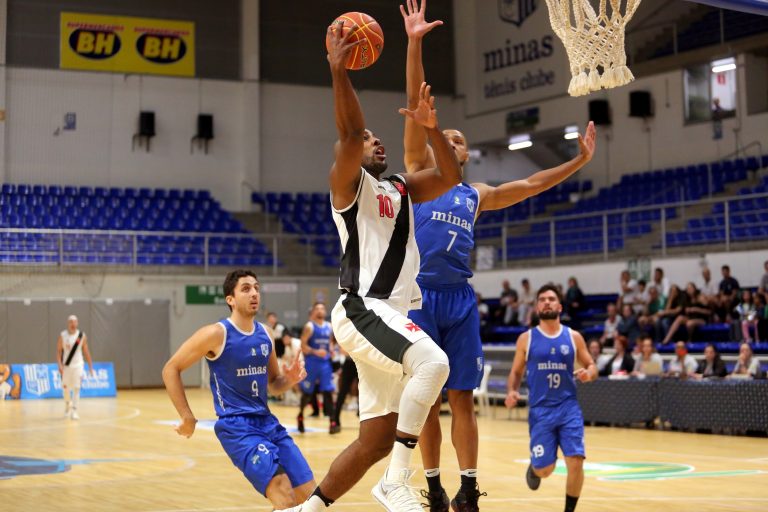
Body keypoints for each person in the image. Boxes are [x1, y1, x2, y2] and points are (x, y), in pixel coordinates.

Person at [399, 2, 596, 509]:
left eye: (460, 140)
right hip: (420, 297)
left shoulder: (477, 194)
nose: (453, 140)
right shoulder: (419, 173)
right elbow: (415, 99)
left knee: (462, 397)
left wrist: (578, 161)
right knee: (427, 400)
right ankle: (434, 485)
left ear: (466, 155)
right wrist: (415, 43)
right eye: (446, 135)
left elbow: (531, 184)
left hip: (460, 299)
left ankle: (467, 486)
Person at [275, 22, 462, 512]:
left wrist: (431, 127)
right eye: (368, 139)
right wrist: (339, 72)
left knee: (376, 438)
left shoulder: (400, 187)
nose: (376, 142)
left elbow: (450, 175)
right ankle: (396, 481)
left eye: (379, 139)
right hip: (362, 308)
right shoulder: (347, 185)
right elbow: (350, 131)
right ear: (350, 152)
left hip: (389, 316)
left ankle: (308, 510)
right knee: (435, 363)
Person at [162, 270, 315, 508]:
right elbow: (171, 368)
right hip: (237, 427)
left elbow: (274, 385)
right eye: (246, 289)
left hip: (267, 422)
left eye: (256, 288)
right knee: (281, 489)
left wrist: (290, 380)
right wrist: (186, 415)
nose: (254, 293)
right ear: (230, 299)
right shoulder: (216, 334)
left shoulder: (266, 333)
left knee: (309, 496)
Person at [505, 285, 597, 512]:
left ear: (560, 306)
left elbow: (592, 365)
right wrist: (512, 390)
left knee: (575, 460)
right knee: (545, 470)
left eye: (552, 298)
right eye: (543, 299)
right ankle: (535, 468)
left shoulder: (573, 337)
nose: (547, 302)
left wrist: (589, 374)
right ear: (537, 307)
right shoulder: (526, 339)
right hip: (541, 410)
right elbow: (516, 372)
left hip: (568, 407)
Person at [297, 303, 339, 434]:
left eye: (322, 308)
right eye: (317, 309)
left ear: (325, 311)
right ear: (313, 312)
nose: (320, 310)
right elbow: (302, 346)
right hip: (312, 362)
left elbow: (330, 342)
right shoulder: (309, 327)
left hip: (325, 363)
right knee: (307, 393)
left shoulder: (329, 326)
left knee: (327, 391)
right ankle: (300, 416)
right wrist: (315, 351)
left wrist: (331, 349)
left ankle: (332, 422)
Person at [56, 315, 94, 420]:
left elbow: (86, 352)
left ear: (77, 323)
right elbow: (58, 352)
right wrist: (59, 365)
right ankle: (67, 404)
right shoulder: (62, 336)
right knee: (65, 388)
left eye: (75, 322)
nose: (73, 324)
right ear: (68, 323)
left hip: (78, 366)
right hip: (66, 366)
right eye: (71, 322)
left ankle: (75, 411)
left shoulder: (81, 336)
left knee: (77, 388)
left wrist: (90, 367)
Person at [332, 347, 359, 431]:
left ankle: (361, 414)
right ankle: (335, 418)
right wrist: (356, 352)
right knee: (343, 392)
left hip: (360, 363)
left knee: (363, 391)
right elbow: (342, 351)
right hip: (349, 364)